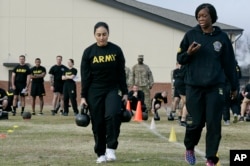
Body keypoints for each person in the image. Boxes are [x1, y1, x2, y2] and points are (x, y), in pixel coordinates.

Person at [177, 3, 239, 166]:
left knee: (213, 123)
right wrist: (189, 53)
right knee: (196, 122)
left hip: (215, 87)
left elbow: (229, 64)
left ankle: (211, 158)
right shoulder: (190, 35)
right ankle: (189, 148)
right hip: (194, 87)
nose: (201, 18)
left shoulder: (222, 38)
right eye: (198, 16)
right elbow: (180, 59)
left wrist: (234, 86)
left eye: (204, 15)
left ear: (212, 17)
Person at [80, 22, 128, 164]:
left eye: (104, 34)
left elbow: (121, 73)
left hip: (112, 89)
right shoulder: (88, 52)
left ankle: (111, 148)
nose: (101, 37)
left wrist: (125, 92)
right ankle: (100, 153)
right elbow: (85, 76)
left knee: (113, 115)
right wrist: (83, 96)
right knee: (98, 122)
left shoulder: (116, 50)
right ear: (94, 35)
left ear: (108, 34)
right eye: (99, 35)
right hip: (94, 91)